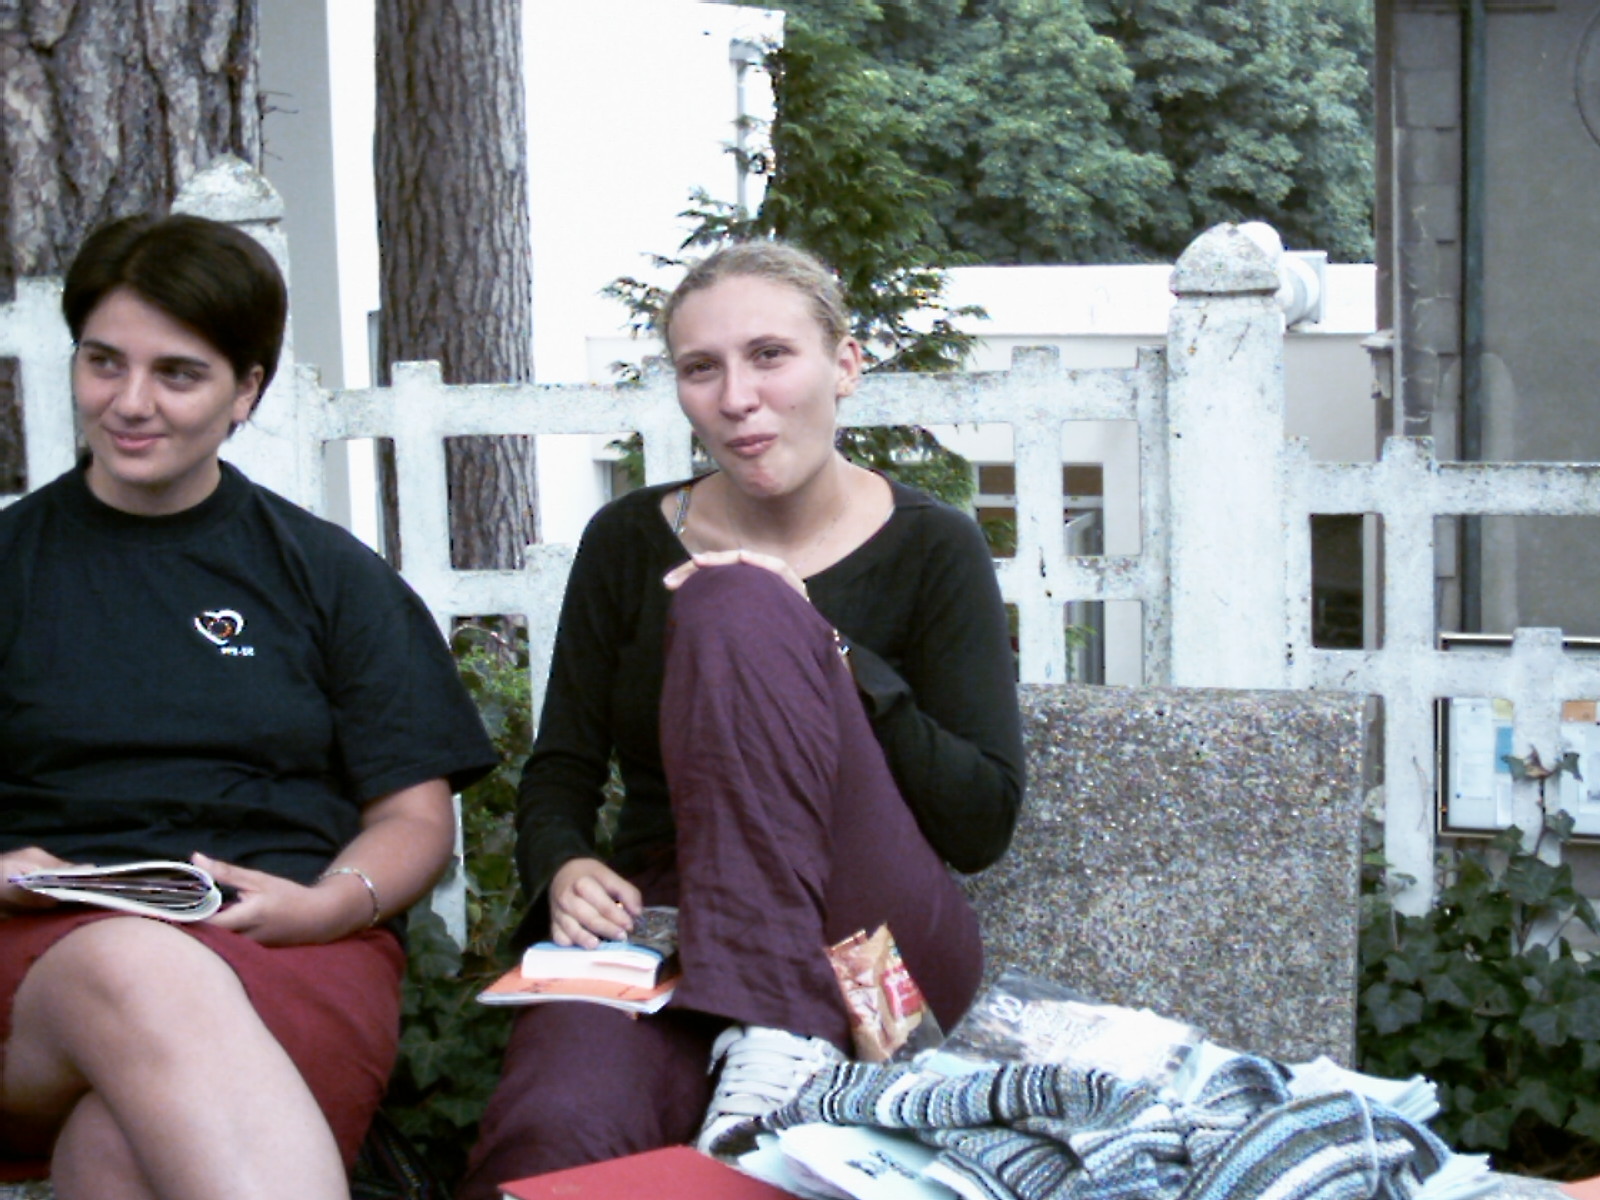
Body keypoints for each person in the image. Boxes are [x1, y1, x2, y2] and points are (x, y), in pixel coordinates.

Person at [460, 241, 1024, 1196]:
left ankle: (783, 1031)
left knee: (736, 603)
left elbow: (980, 823)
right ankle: (761, 1062)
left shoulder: (934, 544)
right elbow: (562, 767)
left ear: (845, 365)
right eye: (701, 368)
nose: (736, 397)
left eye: (770, 355)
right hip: (671, 921)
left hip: (874, 958)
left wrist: (820, 646)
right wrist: (563, 863)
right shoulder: (627, 539)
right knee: (554, 1131)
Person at [0, 213, 499, 1200]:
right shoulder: (12, 566)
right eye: (104, 363)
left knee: (117, 1155)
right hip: (35, 972)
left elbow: (412, 817)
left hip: (290, 946)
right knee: (139, 968)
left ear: (247, 390)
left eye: (178, 374)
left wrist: (325, 906)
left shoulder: (328, 578)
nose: (130, 402)